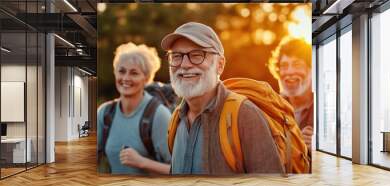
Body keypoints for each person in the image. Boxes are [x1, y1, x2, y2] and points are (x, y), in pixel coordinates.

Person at [161, 22, 284, 175]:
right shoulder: (175, 119)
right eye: (176, 56)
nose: (184, 65)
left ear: (219, 65)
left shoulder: (244, 115)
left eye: (197, 55)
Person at [97, 42, 171, 174]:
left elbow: (179, 169)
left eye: (134, 73)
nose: (126, 78)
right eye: (122, 71)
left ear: (146, 78)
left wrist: (142, 162)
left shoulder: (159, 115)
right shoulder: (105, 113)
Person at [269, 38, 313, 149]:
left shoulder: (323, 108)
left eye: (297, 65)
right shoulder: (272, 107)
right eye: (284, 66)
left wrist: (318, 144)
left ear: (311, 69)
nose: (289, 72)